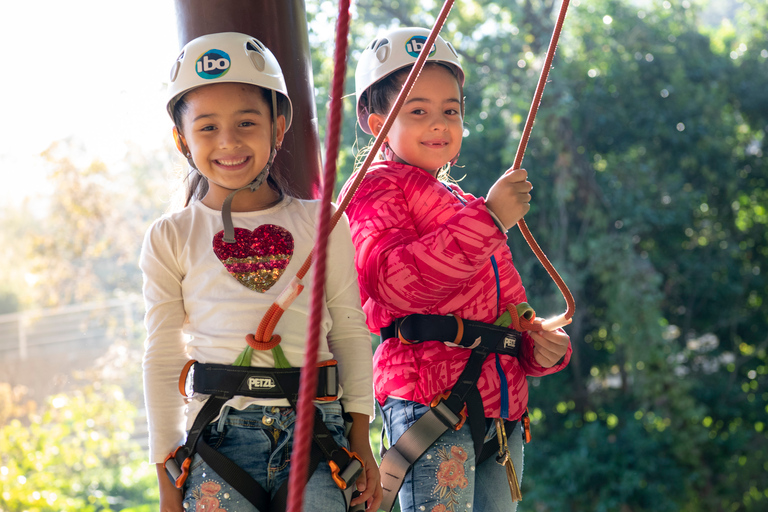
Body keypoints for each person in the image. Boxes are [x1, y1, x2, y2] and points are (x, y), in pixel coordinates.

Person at [140, 32, 381, 512]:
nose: (228, 141)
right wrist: (166, 471)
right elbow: (163, 356)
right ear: (181, 138)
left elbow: (350, 330)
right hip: (219, 435)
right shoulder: (171, 236)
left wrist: (362, 438)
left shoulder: (323, 222)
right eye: (207, 127)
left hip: (318, 432)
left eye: (246, 122)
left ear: (280, 125)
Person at [338, 27, 572, 512]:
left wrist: (539, 348)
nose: (439, 123)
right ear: (377, 122)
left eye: (451, 110)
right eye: (417, 111)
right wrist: (489, 219)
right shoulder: (373, 190)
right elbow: (391, 281)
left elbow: (511, 311)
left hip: (501, 411)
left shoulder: (465, 205)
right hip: (429, 400)